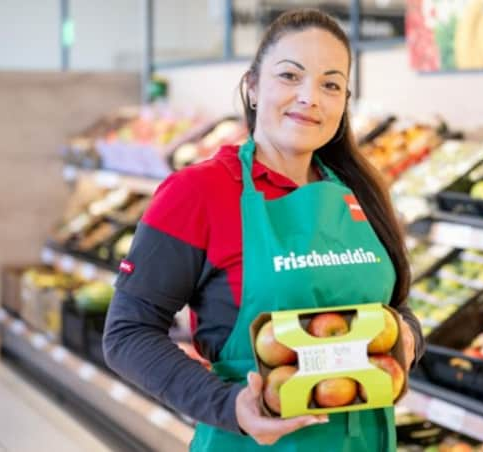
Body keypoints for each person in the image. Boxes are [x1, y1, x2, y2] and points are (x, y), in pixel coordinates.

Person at [103, 9, 424, 451]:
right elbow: (127, 334)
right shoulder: (198, 192)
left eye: (330, 84)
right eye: (290, 76)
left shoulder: (360, 190)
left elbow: (396, 307)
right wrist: (230, 405)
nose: (310, 97)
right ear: (253, 87)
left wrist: (407, 337)